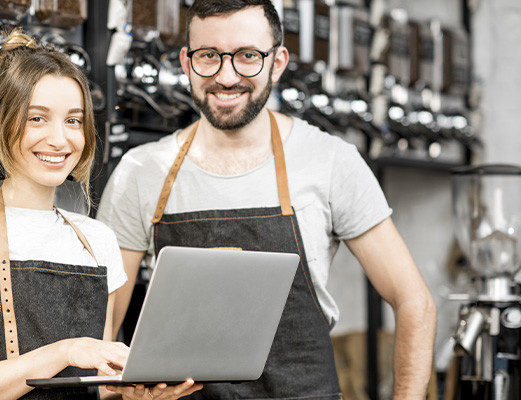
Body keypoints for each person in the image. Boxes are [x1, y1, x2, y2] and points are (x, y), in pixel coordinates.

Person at [96, 1, 437, 399]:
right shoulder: (140, 172)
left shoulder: (330, 161)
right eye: (209, 56)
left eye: (247, 57)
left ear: (277, 62)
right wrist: (121, 390)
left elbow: (414, 301)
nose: (226, 76)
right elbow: (102, 333)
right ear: (187, 63)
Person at [0, 32, 200, 400]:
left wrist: (133, 392)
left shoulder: (97, 240)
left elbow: (96, 384)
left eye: (73, 121)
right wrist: (63, 351)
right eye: (37, 118)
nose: (59, 139)